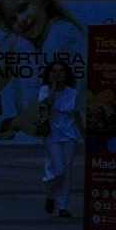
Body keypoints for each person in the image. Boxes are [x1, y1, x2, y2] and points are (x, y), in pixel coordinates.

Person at [40, 58, 83, 218]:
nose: (58, 74)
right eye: (54, 71)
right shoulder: (44, 90)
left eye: (61, 71)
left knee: (67, 171)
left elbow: (77, 114)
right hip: (52, 135)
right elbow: (46, 105)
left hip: (69, 136)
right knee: (59, 170)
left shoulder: (73, 93)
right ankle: (50, 195)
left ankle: (63, 206)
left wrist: (83, 135)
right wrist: (53, 87)